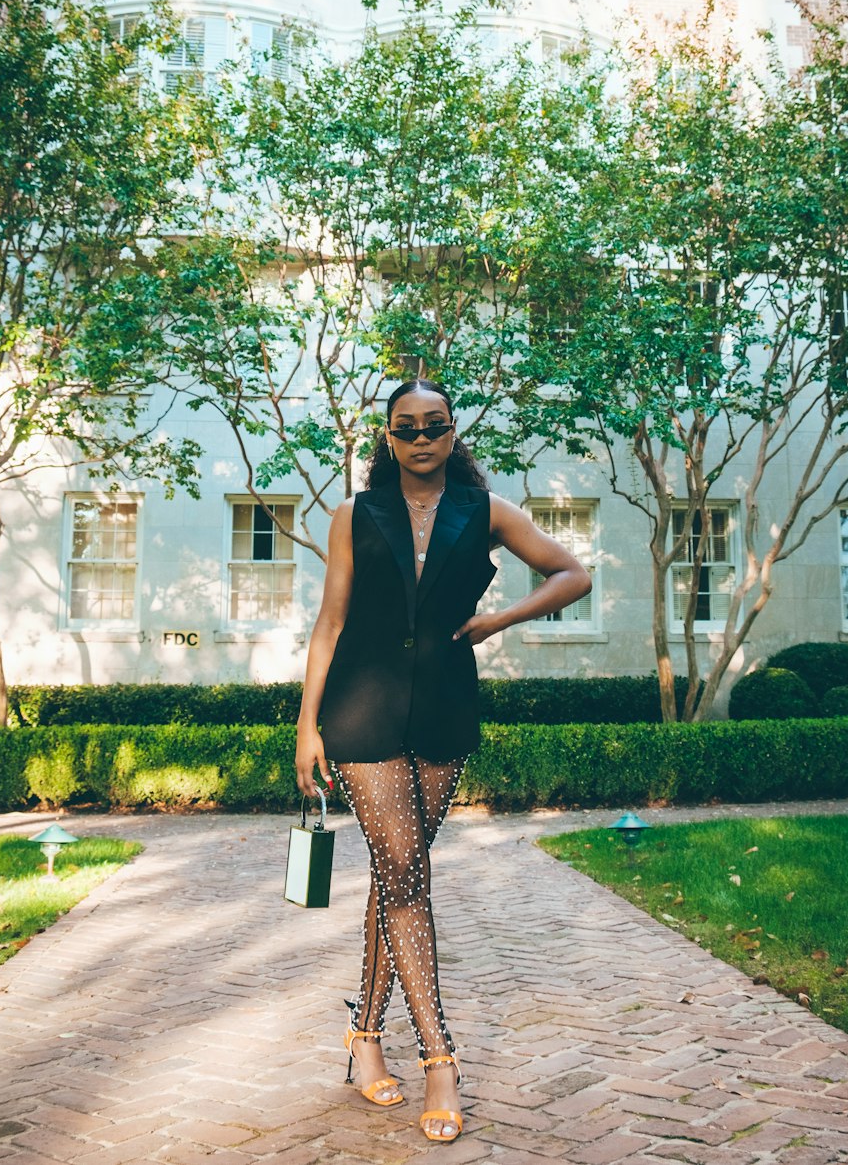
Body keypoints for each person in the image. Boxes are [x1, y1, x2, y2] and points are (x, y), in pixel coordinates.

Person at [295, 379, 591, 1144]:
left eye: (436, 425)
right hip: (360, 709)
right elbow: (329, 624)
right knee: (403, 873)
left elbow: (573, 574)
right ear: (386, 438)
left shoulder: (485, 513)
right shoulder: (353, 516)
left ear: (453, 434)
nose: (423, 438)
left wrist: (497, 619)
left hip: (445, 709)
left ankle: (362, 1042)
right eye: (407, 427)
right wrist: (306, 727)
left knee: (399, 877)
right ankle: (440, 1059)